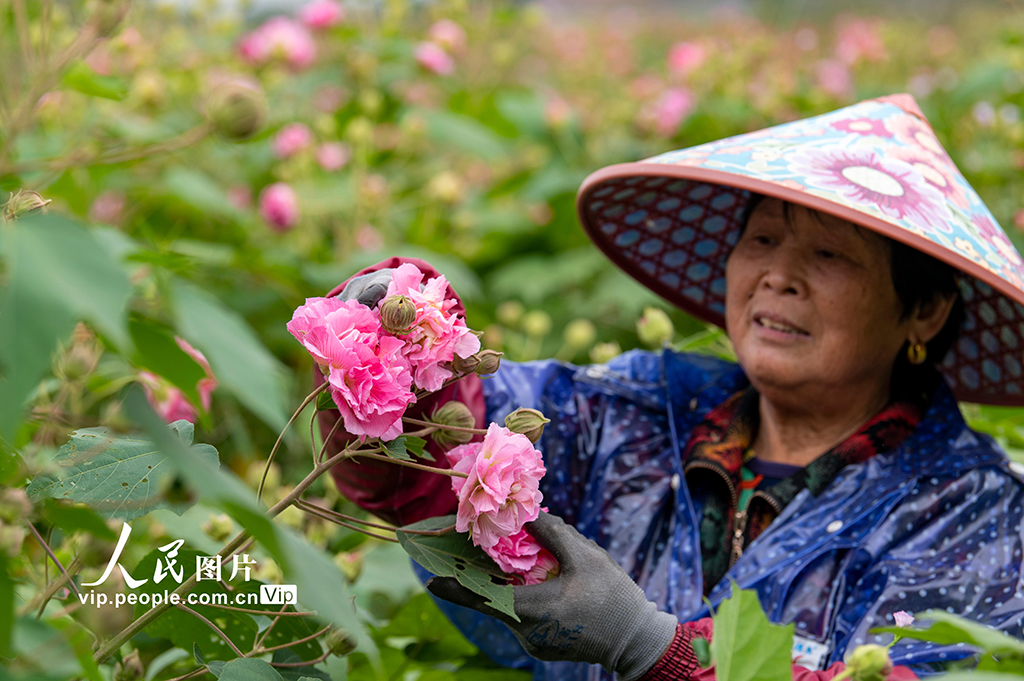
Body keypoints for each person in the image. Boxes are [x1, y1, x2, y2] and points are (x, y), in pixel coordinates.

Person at [319, 94, 1024, 681]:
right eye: (762, 240)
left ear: (924, 309)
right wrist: (400, 340)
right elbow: (454, 451)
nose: (778, 275)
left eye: (831, 253)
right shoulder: (646, 408)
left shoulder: (974, 517)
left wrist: (655, 650)